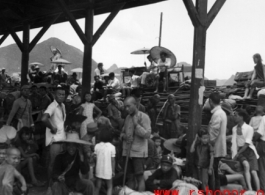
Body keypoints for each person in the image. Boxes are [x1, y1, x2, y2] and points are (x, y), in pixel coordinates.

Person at [121, 96, 151, 191]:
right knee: (129, 176)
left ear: (135, 105)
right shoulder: (127, 118)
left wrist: (136, 125)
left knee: (139, 177)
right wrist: (124, 136)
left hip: (138, 153)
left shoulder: (144, 117)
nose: (126, 109)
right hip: (127, 152)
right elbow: (122, 133)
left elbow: (147, 135)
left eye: (128, 106)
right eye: (125, 107)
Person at [41, 85, 66, 188]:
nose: (61, 96)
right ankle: (49, 185)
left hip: (62, 138)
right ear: (55, 95)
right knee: (52, 163)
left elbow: (61, 121)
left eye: (63, 94)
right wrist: (52, 127)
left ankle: (55, 185)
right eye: (59, 94)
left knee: (58, 163)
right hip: (55, 140)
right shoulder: (52, 106)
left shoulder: (63, 105)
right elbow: (43, 119)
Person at [231, 109, 260, 191]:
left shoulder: (249, 128)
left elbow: (247, 143)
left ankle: (258, 191)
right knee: (246, 166)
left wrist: (237, 154)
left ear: (241, 117)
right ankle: (250, 189)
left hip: (249, 150)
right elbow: (234, 142)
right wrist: (234, 154)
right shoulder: (234, 128)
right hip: (241, 151)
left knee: (254, 172)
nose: (234, 117)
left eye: (236, 115)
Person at [208, 92, 227, 193]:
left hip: (215, 147)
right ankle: (216, 191)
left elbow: (214, 132)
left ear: (210, 101)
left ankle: (215, 191)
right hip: (218, 146)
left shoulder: (217, 114)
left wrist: (210, 144)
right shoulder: (220, 112)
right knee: (215, 171)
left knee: (213, 172)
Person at [94, 127, 116, 195]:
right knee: (109, 187)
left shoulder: (97, 146)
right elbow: (113, 160)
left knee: (97, 187)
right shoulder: (112, 147)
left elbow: (96, 159)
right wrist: (113, 171)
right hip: (108, 170)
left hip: (99, 169)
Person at [254, 111, 265, 192]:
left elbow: (259, 133)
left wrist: (252, 138)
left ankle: (263, 189)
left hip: (263, 144)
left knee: (262, 168)